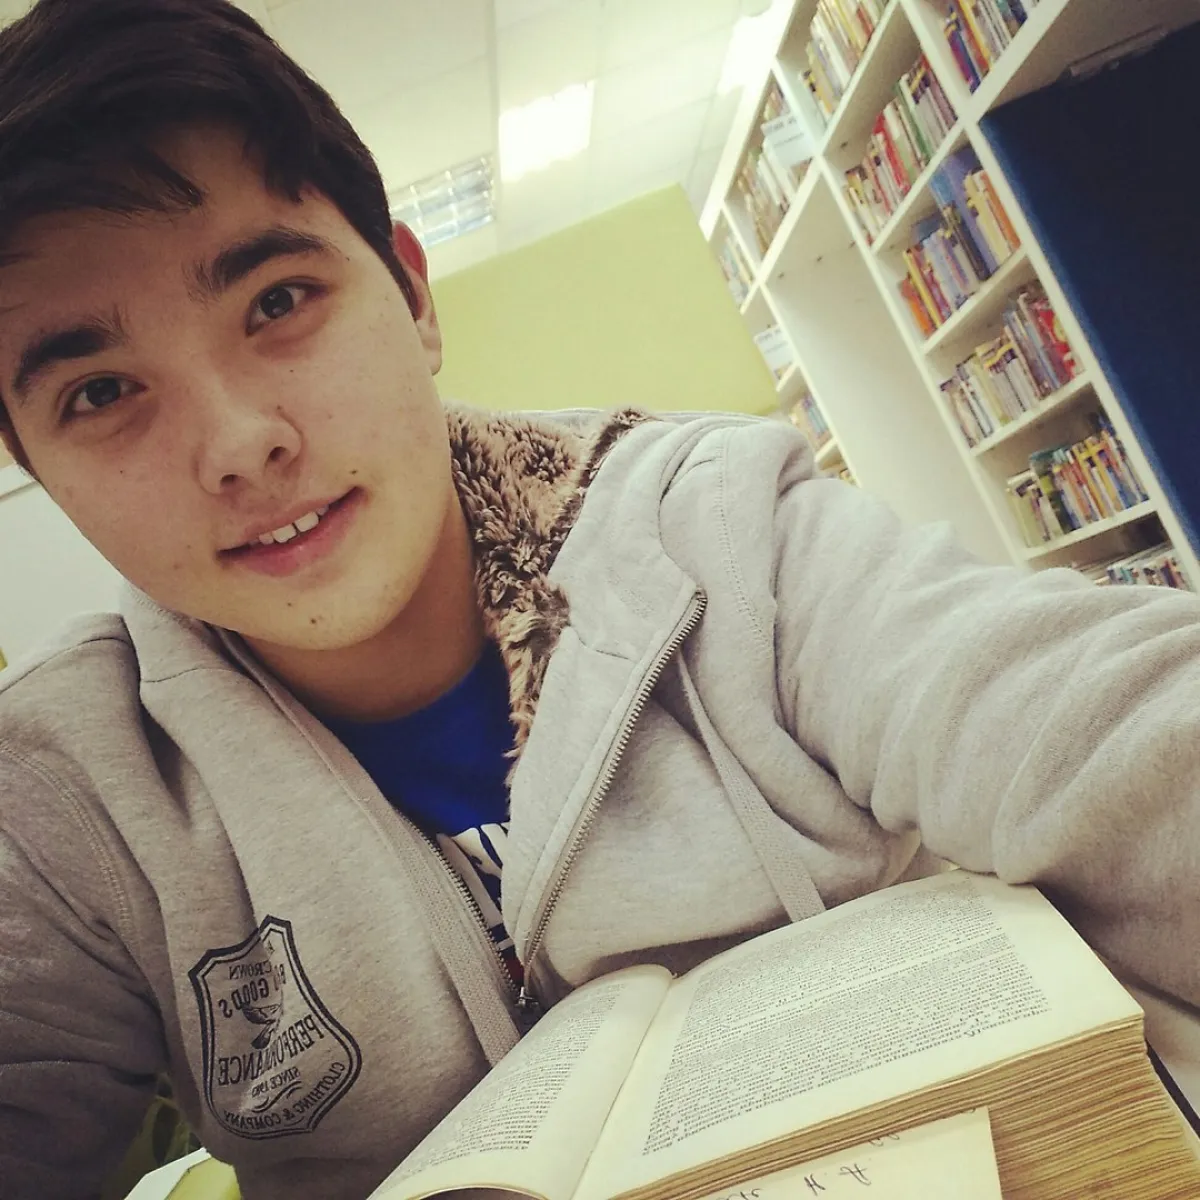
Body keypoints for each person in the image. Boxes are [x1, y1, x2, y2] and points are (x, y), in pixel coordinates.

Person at [0, 0, 1196, 1197]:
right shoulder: (64, 792)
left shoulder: (723, 533)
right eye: (99, 393)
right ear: (34, 467)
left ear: (413, 296)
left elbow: (1109, 736)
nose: (238, 443)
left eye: (277, 303)